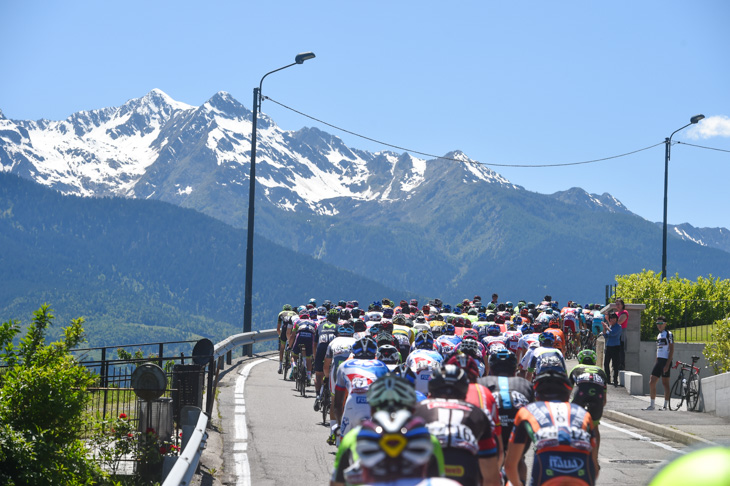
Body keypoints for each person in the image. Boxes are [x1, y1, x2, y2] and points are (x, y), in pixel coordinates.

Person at [330, 374, 448, 486]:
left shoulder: (352, 437)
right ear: (412, 410)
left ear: (372, 410)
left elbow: (337, 483)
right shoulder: (429, 439)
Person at [504, 358, 598, 486]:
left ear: (537, 395)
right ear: (567, 393)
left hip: (546, 477)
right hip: (582, 478)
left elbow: (510, 466)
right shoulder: (584, 414)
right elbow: (594, 467)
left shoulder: (527, 411)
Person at [413, 364, 500, 486]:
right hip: (466, 472)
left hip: (427, 472)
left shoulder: (417, 409)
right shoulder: (478, 413)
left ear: (431, 390)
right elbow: (491, 478)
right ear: (465, 392)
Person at [478, 349, 533, 485]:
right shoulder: (525, 384)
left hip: (492, 428)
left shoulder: (481, 382)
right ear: (514, 369)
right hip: (517, 426)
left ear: (491, 368)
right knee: (519, 460)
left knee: (488, 462)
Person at [569, 349, 608, 456]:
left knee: (572, 423)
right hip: (597, 398)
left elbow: (567, 391)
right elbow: (604, 400)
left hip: (581, 396)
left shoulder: (576, 368)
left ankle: (573, 451)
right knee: (595, 427)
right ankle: (595, 457)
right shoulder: (601, 371)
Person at [644, 316, 674, 411]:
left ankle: (666, 405)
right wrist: (656, 361)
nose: (659, 325)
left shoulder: (669, 334)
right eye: (657, 323)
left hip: (665, 360)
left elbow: (671, 349)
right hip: (659, 360)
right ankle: (652, 405)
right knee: (652, 381)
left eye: (661, 323)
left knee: (665, 383)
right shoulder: (658, 335)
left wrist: (668, 364)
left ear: (665, 324)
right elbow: (658, 350)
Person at [602, 312, 622, 386]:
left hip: (616, 347)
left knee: (615, 364)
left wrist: (607, 327)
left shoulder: (618, 327)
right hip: (609, 346)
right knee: (606, 363)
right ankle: (608, 378)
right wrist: (604, 328)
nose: (612, 320)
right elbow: (606, 335)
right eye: (611, 318)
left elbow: (613, 333)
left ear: (616, 319)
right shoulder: (609, 327)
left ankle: (615, 379)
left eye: (614, 318)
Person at [276, 304, 297, 374]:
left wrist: (280, 335)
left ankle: (280, 366)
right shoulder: (294, 313)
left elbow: (278, 329)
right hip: (291, 329)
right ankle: (292, 362)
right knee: (291, 347)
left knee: (282, 348)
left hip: (285, 328)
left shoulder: (281, 314)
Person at [614, 298, 629, 370]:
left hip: (621, 332)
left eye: (619, 304)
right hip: (615, 334)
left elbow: (619, 322)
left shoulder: (624, 312)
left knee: (621, 350)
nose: (617, 306)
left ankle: (621, 366)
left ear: (622, 305)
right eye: (616, 304)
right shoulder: (616, 313)